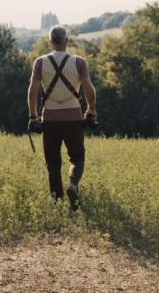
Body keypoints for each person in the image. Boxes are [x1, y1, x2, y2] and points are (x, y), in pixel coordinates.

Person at [28, 25, 97, 210]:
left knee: (53, 163)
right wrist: (91, 109)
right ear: (67, 41)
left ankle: (57, 204)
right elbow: (89, 89)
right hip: (73, 119)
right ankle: (73, 186)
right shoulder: (79, 62)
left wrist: (34, 117)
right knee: (77, 157)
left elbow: (32, 91)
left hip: (49, 121)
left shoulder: (40, 62)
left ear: (50, 42)